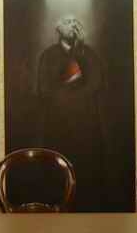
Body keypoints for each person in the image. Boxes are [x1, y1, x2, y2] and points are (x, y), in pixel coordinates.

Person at [32, 15, 107, 211]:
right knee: (58, 179)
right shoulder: (48, 56)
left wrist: (80, 51)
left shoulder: (88, 54)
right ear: (57, 29)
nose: (73, 25)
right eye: (67, 22)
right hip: (58, 128)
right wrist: (73, 98)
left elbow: (96, 83)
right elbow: (44, 90)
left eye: (75, 22)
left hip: (86, 130)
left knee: (87, 179)